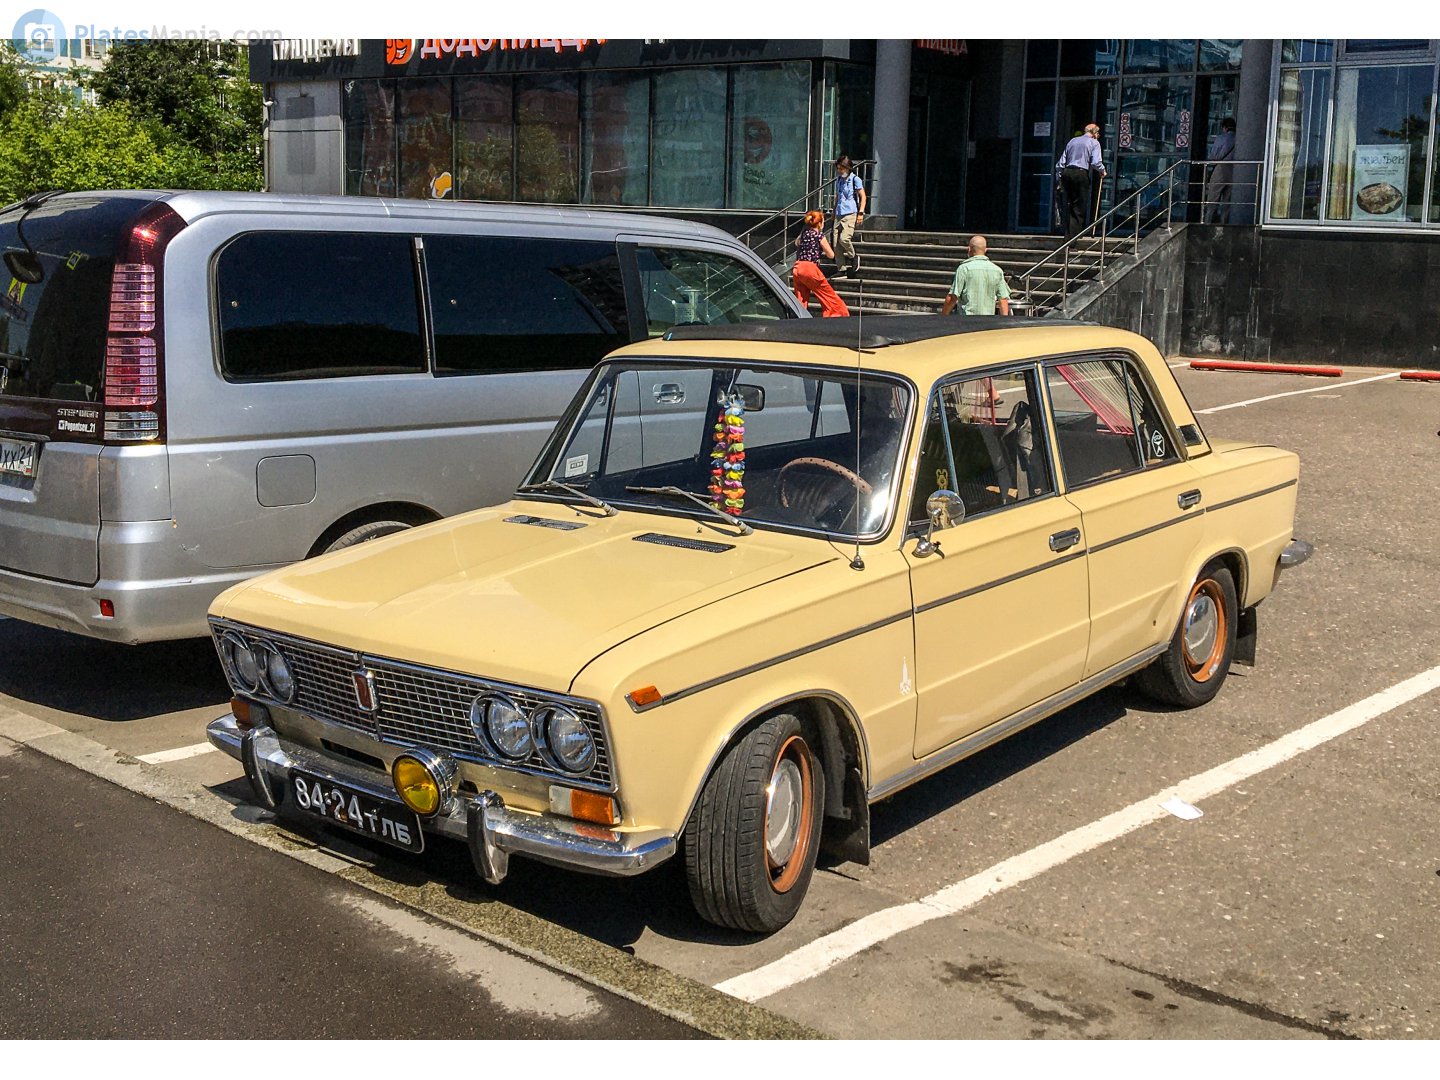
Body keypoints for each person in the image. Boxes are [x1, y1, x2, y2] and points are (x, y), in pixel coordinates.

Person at [792, 210, 850, 318]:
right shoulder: (819, 236)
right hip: (810, 268)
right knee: (826, 294)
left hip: (798, 267)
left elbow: (797, 243)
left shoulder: (804, 233)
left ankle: (797, 319)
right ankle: (837, 314)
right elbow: (831, 255)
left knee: (801, 299)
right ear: (820, 223)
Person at [1056, 123, 1106, 240]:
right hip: (1080, 173)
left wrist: (1059, 179)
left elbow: (1061, 163)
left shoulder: (1072, 141)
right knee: (1079, 206)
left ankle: (1068, 234)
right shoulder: (1094, 143)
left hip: (1067, 173)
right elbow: (1095, 162)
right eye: (1098, 133)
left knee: (1069, 204)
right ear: (1094, 133)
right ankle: (1072, 239)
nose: (1098, 136)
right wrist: (1102, 170)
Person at [940, 235, 1012, 316]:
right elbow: (1003, 299)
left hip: (966, 320)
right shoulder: (997, 270)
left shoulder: (964, 268)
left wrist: (943, 316)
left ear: (969, 249)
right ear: (985, 250)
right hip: (988, 321)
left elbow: (953, 297)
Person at [831, 155, 867, 277]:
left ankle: (853, 256)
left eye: (842, 168)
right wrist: (834, 210)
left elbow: (863, 196)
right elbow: (838, 196)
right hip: (839, 213)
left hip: (850, 213)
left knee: (844, 239)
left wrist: (860, 213)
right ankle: (841, 269)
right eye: (838, 168)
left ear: (847, 168)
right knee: (835, 243)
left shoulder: (855, 179)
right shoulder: (839, 180)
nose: (840, 171)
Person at [1205, 117, 1237, 224]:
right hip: (1235, 170)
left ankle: (1208, 222)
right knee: (1227, 201)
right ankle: (1224, 224)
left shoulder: (1221, 138)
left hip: (1221, 168)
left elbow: (1214, 156)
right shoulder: (1239, 138)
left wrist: (1210, 165)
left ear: (1224, 127)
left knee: (1213, 197)